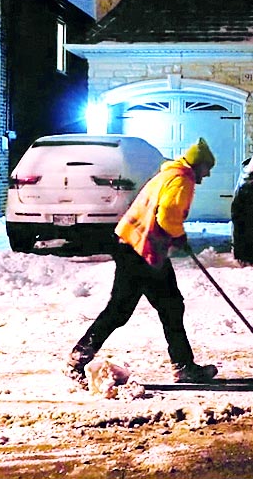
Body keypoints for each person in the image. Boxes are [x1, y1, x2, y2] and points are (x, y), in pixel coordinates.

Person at [67, 138, 218, 386]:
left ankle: (80, 357)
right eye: (207, 168)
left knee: (149, 308)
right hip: (142, 252)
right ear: (198, 165)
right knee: (143, 308)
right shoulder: (182, 179)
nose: (208, 174)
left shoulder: (168, 175)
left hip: (134, 246)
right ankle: (183, 366)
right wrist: (179, 236)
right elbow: (167, 215)